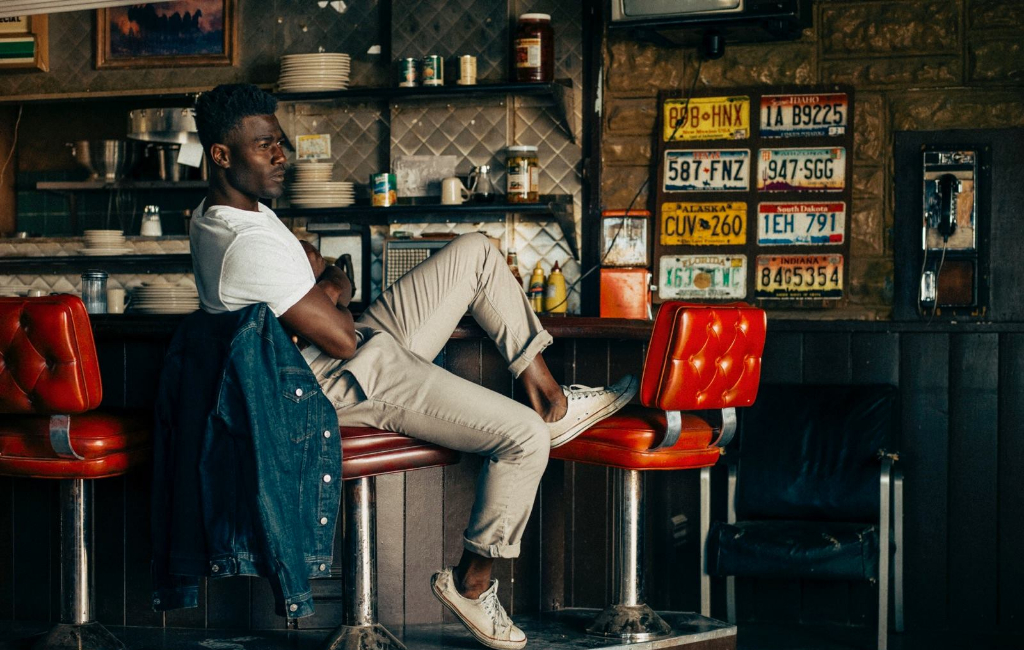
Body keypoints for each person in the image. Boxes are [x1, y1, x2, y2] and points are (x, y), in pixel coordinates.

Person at [190, 83, 637, 650]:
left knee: (475, 251)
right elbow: (343, 334)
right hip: (328, 382)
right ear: (221, 156)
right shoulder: (241, 243)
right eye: (263, 146)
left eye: (279, 142)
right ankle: (472, 585)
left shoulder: (236, 211)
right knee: (524, 438)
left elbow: (321, 280)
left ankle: (549, 394)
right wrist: (333, 282)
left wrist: (325, 283)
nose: (281, 156)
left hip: (340, 349)